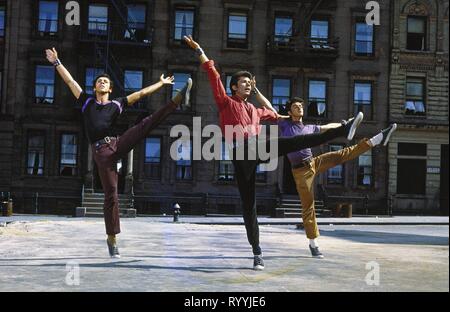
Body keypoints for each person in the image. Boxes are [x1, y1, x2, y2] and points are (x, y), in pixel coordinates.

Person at [183, 36, 363, 270]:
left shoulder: (256, 111)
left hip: (257, 148)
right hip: (241, 155)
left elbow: (275, 114)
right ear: (234, 87)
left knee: (297, 140)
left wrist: (334, 124)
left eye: (250, 82)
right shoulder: (226, 102)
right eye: (244, 82)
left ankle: (344, 129)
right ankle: (257, 252)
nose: (247, 84)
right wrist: (199, 50)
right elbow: (213, 74)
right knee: (250, 206)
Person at [45, 47, 192, 258]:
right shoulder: (86, 102)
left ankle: (175, 102)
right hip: (101, 152)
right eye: (99, 81)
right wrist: (57, 62)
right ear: (95, 87)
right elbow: (70, 82)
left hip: (117, 143)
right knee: (111, 194)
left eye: (105, 81)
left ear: (110, 89)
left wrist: (161, 84)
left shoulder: (117, 103)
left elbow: (140, 94)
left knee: (145, 125)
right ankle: (112, 237)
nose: (102, 82)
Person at [253, 92, 398, 259]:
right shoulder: (284, 124)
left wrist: (343, 125)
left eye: (301, 106)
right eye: (295, 106)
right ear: (290, 111)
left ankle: (377, 138)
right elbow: (269, 106)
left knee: (342, 154)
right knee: (308, 206)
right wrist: (256, 92)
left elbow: (326, 128)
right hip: (300, 172)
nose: (299, 108)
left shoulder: (309, 127)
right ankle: (313, 244)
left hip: (313, 162)